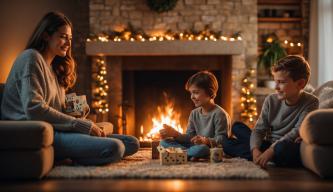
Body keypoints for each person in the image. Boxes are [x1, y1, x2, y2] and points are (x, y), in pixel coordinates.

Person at [0, 11, 139, 165]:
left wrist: (78, 111)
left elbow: (58, 110)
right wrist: (79, 124)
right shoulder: (31, 58)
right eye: (63, 37)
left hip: (56, 128)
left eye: (70, 38)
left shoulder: (54, 68)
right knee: (116, 147)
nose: (68, 43)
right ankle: (71, 157)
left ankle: (75, 153)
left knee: (132, 142)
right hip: (36, 130)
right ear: (46, 35)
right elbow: (34, 108)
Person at [223, 55, 319, 168]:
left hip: (286, 145)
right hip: (268, 144)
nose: (276, 87)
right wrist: (255, 150)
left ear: (300, 84)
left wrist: (271, 151)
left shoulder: (311, 102)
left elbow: (296, 132)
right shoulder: (271, 100)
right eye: (275, 82)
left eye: (281, 82)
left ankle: (267, 157)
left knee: (284, 149)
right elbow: (259, 129)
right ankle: (261, 157)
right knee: (236, 128)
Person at [159, 71, 231, 161]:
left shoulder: (220, 114)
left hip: (210, 148)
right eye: (191, 93)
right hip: (193, 146)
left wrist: (205, 141)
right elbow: (189, 137)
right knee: (163, 142)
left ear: (210, 92)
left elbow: (222, 140)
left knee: (202, 149)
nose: (192, 97)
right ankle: (189, 154)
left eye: (196, 92)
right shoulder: (194, 113)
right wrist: (175, 134)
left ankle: (182, 154)